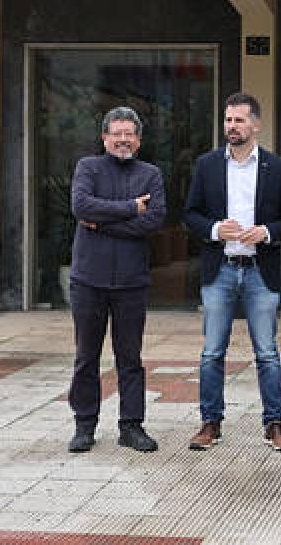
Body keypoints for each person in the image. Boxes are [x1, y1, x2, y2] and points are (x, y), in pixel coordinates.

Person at [183, 93, 281, 452]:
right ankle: (210, 423)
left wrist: (266, 233)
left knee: (267, 352)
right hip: (219, 269)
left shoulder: (278, 168)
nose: (232, 127)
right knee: (211, 352)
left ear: (256, 125)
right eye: (228, 120)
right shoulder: (206, 165)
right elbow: (190, 213)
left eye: (239, 120)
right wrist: (215, 229)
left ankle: (274, 424)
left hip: (258, 270)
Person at [67, 106, 166, 454]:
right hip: (88, 280)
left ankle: (131, 426)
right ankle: (84, 425)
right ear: (105, 137)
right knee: (86, 356)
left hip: (131, 282)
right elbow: (81, 207)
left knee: (130, 358)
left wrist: (103, 220)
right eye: (117, 134)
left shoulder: (151, 174)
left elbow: (153, 221)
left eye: (129, 135)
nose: (123, 140)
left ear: (139, 140)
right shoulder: (87, 167)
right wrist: (129, 209)